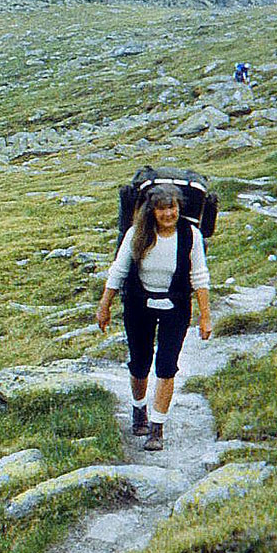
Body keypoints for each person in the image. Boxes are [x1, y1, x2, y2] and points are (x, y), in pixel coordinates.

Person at [96, 183, 211, 451]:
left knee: (167, 365)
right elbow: (118, 271)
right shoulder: (136, 234)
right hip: (139, 304)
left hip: (176, 305)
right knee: (139, 363)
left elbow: (200, 276)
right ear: (152, 211)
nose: (168, 214)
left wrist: (205, 316)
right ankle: (139, 410)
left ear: (179, 208)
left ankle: (157, 427)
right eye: (161, 209)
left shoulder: (191, 235)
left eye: (172, 207)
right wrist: (105, 305)